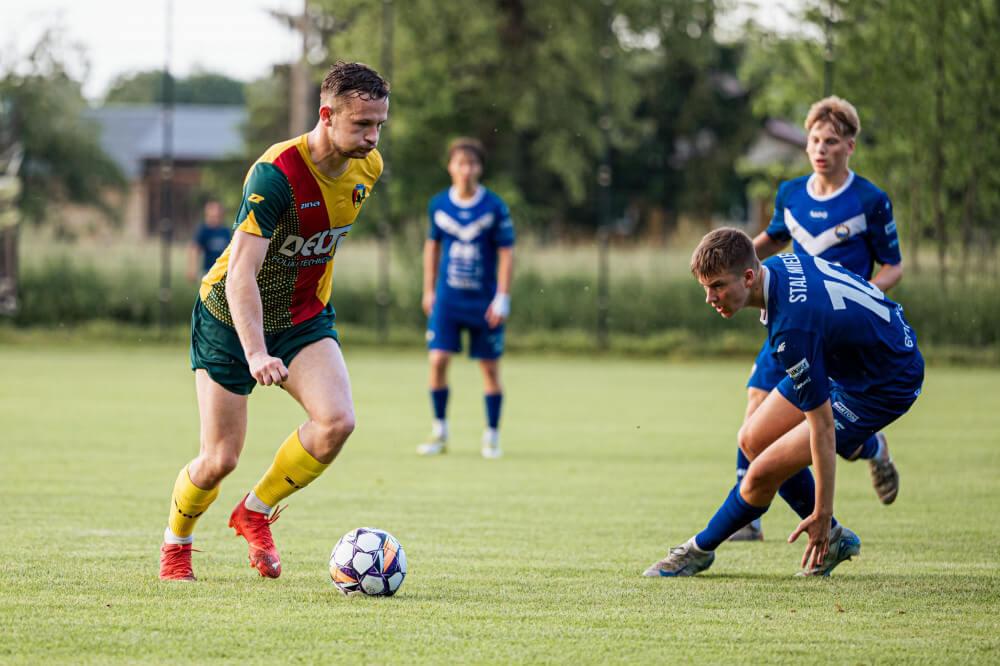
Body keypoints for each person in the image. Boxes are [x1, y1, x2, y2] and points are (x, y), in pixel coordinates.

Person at [158, 61, 389, 581]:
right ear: (326, 115)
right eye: (361, 125)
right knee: (219, 458)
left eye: (379, 125)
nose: (373, 138)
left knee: (337, 422)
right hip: (229, 317)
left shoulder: (366, 169)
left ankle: (254, 512)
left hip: (303, 317)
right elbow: (241, 273)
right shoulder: (276, 173)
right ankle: (177, 543)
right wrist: (257, 351)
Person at [643, 228, 923, 577]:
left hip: (883, 383)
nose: (709, 298)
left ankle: (699, 549)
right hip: (854, 358)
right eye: (705, 287)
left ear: (748, 276)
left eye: (717, 286)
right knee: (751, 440)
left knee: (760, 472)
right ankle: (836, 534)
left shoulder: (792, 330)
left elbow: (821, 427)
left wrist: (822, 512)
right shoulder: (777, 266)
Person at [731, 96, 904, 542]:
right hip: (794, 321)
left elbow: (893, 266)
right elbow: (769, 241)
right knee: (755, 404)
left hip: (840, 332)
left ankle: (874, 447)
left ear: (850, 146)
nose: (820, 148)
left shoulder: (870, 200)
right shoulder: (790, 194)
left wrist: (867, 295)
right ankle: (748, 514)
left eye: (831, 141)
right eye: (813, 140)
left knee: (831, 433)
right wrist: (727, 267)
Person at [417, 138, 515, 459]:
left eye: (472, 164)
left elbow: (506, 252)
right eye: (460, 163)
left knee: (489, 369)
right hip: (448, 299)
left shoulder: (494, 207)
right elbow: (432, 247)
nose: (466, 170)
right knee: (438, 360)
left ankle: (492, 435)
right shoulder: (439, 205)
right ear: (450, 167)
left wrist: (502, 296)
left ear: (480, 168)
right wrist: (429, 290)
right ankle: (440, 432)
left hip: (483, 301)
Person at [187, 199, 231, 283]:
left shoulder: (225, 231)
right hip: (208, 271)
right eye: (212, 216)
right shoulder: (204, 230)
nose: (215, 219)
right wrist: (192, 269)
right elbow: (194, 249)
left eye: (217, 216)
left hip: (223, 271)